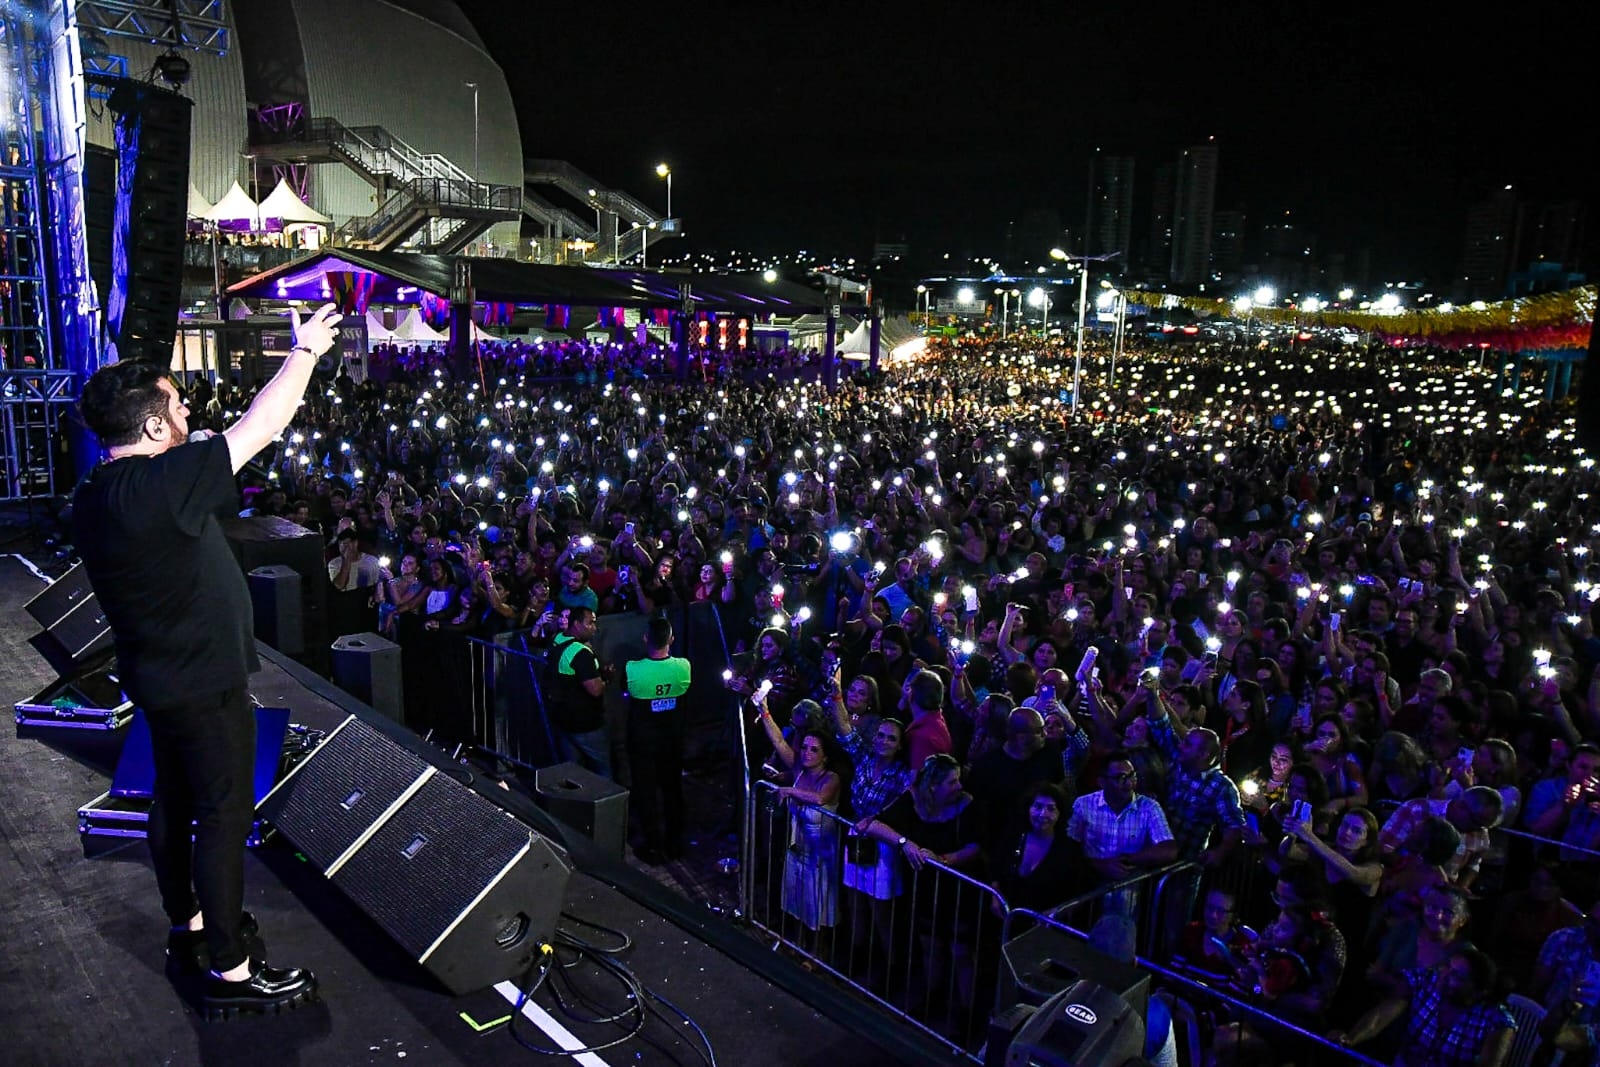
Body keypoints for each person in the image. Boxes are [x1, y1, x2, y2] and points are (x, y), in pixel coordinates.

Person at [72, 302, 341, 1018]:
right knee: (223, 814)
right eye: (178, 401)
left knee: (175, 801)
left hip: (158, 677)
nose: (189, 408)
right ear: (156, 426)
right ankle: (230, 966)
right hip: (203, 680)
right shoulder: (161, 485)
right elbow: (263, 425)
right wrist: (306, 352)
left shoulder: (95, 494)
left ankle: (187, 921)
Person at [1331, 947, 1516, 1067]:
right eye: (1448, 968)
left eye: (1457, 977)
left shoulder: (1497, 1021)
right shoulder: (1425, 980)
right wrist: (1350, 1039)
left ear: (1479, 992)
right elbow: (1380, 1016)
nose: (1444, 976)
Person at [623, 617, 693, 863]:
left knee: (646, 794)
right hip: (672, 742)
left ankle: (653, 846)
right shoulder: (684, 667)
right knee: (673, 791)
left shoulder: (633, 668)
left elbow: (626, 693)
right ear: (671, 640)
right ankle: (675, 844)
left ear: (645, 639)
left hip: (643, 744)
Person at [546, 606, 612, 778]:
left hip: (563, 720)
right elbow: (595, 689)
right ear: (576, 624)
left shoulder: (557, 641)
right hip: (585, 723)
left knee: (573, 773)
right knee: (603, 769)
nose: (594, 628)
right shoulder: (580, 653)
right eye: (590, 623)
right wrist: (607, 679)